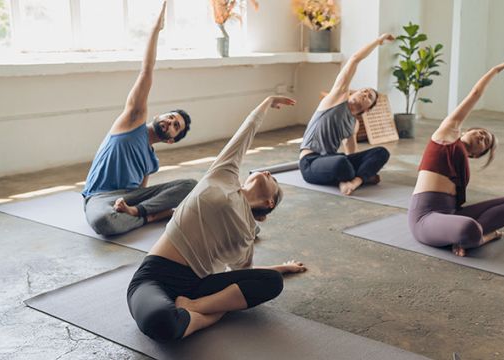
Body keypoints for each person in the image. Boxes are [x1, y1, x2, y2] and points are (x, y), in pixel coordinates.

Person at [127, 95, 307, 342]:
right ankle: (204, 313)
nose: (266, 172)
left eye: (272, 179)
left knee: (273, 282)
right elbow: (246, 132)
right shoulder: (224, 175)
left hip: (200, 287)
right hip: (156, 275)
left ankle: (197, 307)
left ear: (270, 203)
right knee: (159, 322)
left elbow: (247, 275)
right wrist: (267, 102)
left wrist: (282, 269)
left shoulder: (246, 235)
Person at [81, 1, 195, 236]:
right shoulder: (132, 122)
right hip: (100, 198)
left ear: (172, 140)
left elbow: (141, 192)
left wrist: (136, 208)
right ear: (158, 115)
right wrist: (155, 30)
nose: (170, 123)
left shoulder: (151, 162)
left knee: (190, 185)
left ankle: (140, 214)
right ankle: (151, 217)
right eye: (171, 117)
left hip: (130, 199)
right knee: (104, 222)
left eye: (176, 126)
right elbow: (147, 70)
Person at [408, 58, 504, 257]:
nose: (481, 136)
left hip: (451, 214)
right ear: (465, 131)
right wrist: (494, 70)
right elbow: (475, 94)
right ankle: (484, 236)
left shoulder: (462, 163)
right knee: (469, 228)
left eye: (485, 142)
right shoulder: (446, 135)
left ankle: (470, 236)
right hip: (425, 218)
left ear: (475, 155)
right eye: (480, 132)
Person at [299, 34, 395, 195]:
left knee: (381, 152)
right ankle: (359, 178)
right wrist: (378, 41)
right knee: (341, 162)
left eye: (369, 96)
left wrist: (356, 167)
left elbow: (352, 153)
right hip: (311, 162)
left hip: (331, 160)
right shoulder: (336, 97)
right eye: (364, 90)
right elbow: (355, 59)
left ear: (366, 109)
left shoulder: (354, 125)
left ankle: (355, 181)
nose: (364, 93)